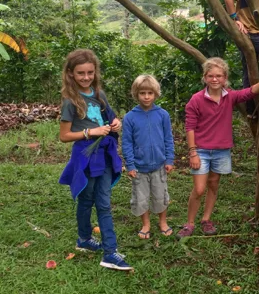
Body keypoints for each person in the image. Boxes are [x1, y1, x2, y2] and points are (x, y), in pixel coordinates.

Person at [177, 57, 259, 238]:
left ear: (225, 77)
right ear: (205, 77)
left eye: (219, 76)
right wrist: (192, 152)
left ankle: (206, 220)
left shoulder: (229, 96)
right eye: (210, 76)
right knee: (199, 189)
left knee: (213, 184)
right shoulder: (196, 100)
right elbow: (190, 127)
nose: (215, 79)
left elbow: (249, 92)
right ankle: (189, 223)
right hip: (201, 150)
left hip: (221, 150)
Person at [58, 49, 132, 271]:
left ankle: (110, 252)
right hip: (86, 155)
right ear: (71, 73)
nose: (86, 77)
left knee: (104, 203)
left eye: (90, 72)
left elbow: (110, 117)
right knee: (86, 199)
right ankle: (84, 239)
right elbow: (64, 136)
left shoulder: (99, 94)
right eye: (81, 73)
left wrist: (116, 123)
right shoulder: (70, 101)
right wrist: (90, 132)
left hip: (105, 154)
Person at [122, 74, 175, 240]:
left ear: (155, 94)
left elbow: (168, 138)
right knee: (141, 198)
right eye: (142, 93)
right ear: (136, 94)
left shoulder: (162, 115)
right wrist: (130, 165)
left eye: (150, 93)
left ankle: (163, 222)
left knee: (161, 196)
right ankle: (146, 224)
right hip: (139, 168)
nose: (146, 97)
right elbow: (127, 143)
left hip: (159, 165)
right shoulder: (130, 117)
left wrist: (169, 159)